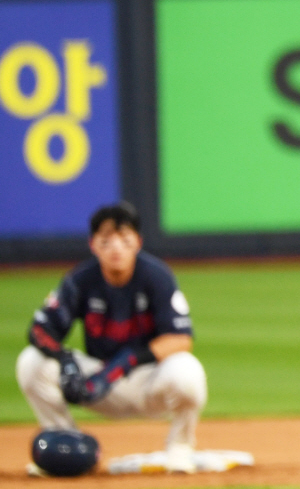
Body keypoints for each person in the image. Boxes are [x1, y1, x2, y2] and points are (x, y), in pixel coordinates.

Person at [16, 203, 208, 475]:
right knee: (31, 362)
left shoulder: (157, 276)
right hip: (95, 381)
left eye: (124, 240)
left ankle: (180, 449)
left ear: (138, 242)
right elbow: (39, 330)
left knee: (188, 370)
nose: (116, 248)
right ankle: (68, 448)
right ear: (93, 244)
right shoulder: (80, 280)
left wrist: (123, 363)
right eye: (106, 241)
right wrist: (65, 360)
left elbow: (180, 339)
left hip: (147, 381)